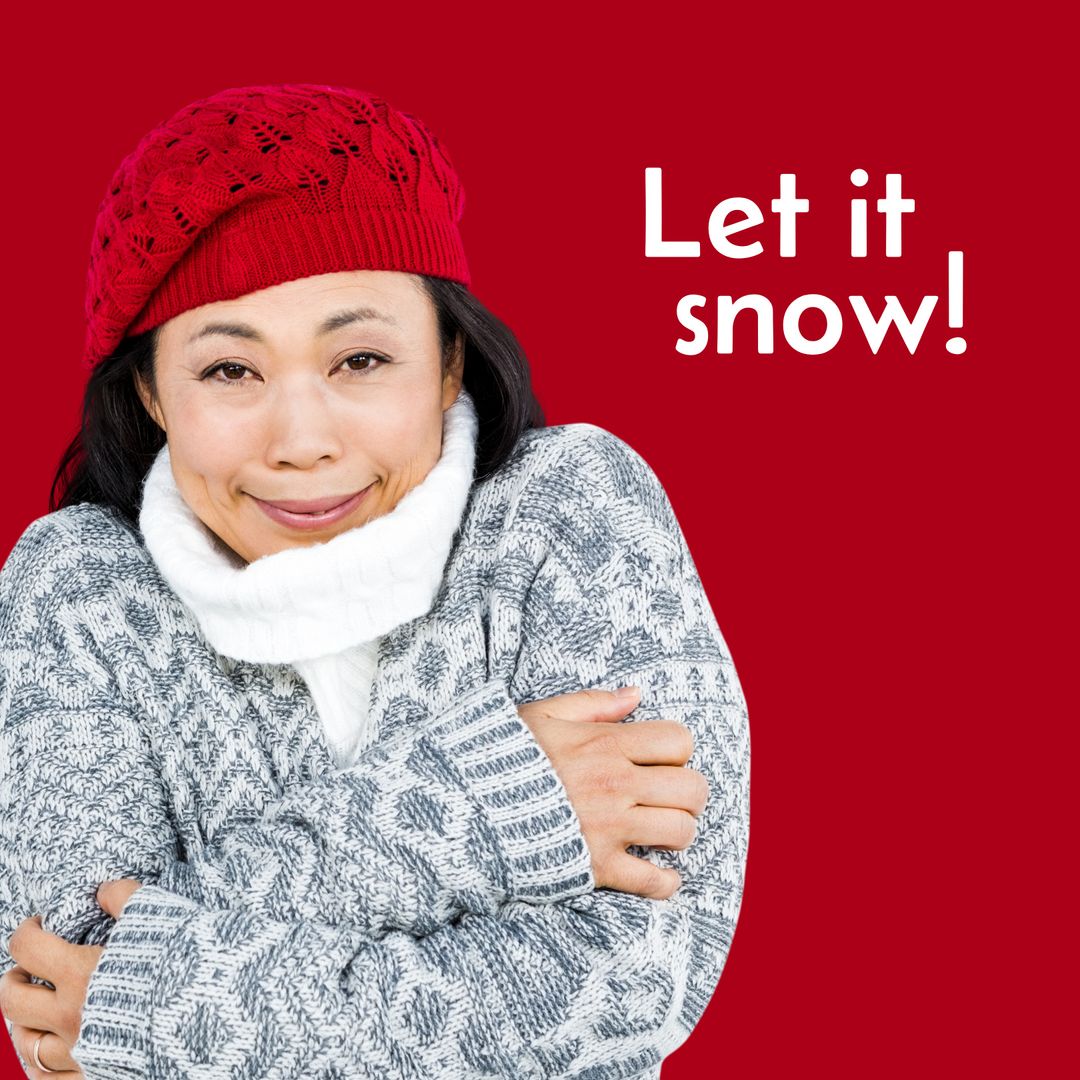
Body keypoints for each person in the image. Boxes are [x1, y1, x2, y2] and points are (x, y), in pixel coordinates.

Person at [0, 83, 750, 1079]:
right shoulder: (75, 593)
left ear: (448, 363)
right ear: (151, 391)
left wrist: (161, 1003)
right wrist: (488, 802)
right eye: (231, 372)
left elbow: (631, 988)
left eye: (360, 359)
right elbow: (62, 984)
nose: (303, 442)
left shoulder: (567, 513)